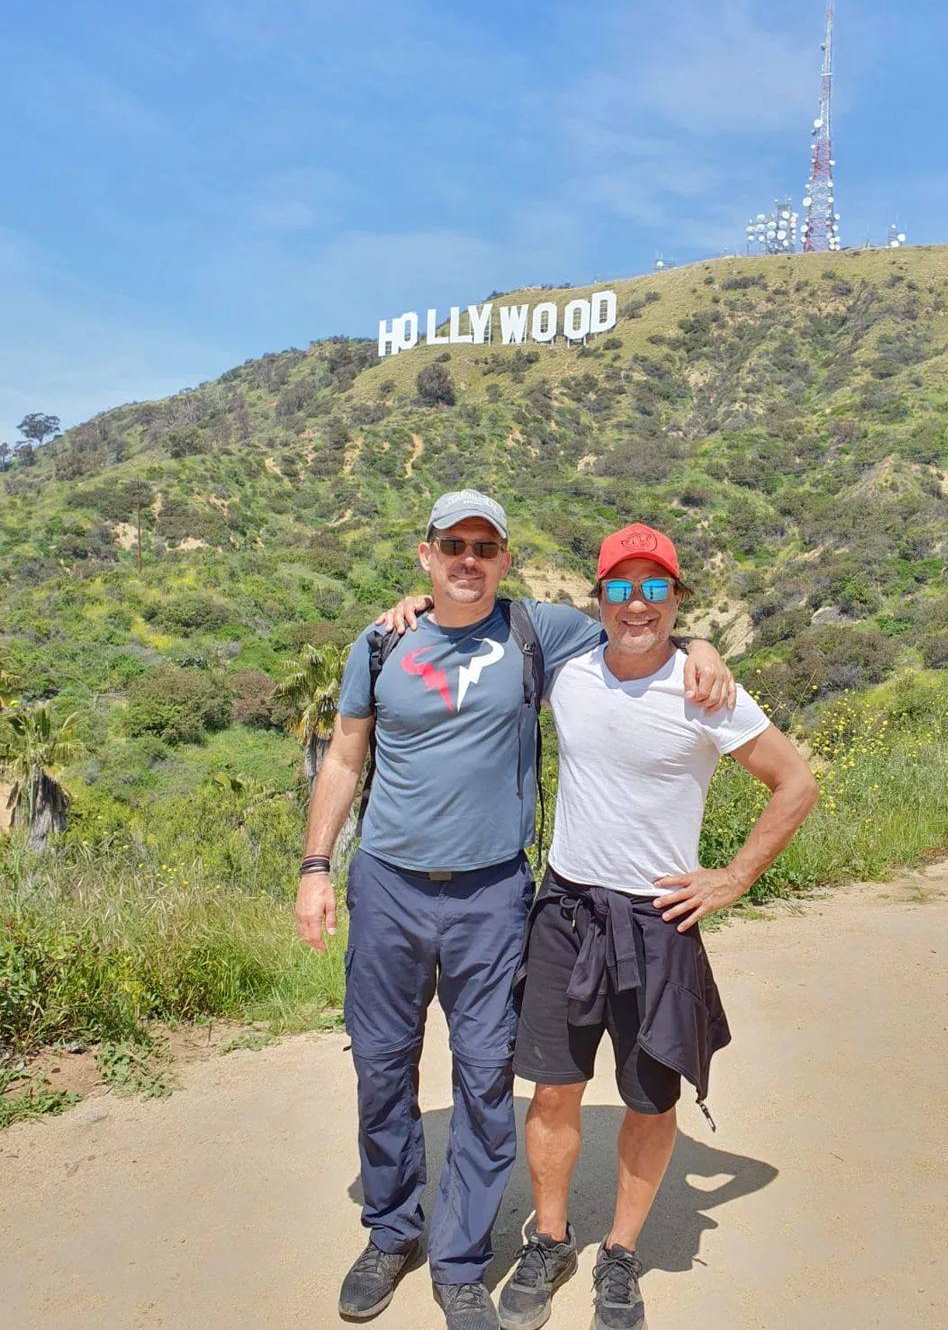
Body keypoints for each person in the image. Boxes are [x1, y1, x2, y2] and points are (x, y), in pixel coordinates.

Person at [293, 491, 733, 1330]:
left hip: (493, 893)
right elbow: (347, 756)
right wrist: (317, 865)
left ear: (505, 559)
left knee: (486, 1075)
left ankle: (460, 1259)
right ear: (425, 554)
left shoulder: (536, 631)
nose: (468, 559)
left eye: (484, 547)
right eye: (452, 544)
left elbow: (637, 626)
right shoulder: (383, 640)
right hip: (386, 883)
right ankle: (392, 1233)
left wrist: (704, 643)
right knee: (382, 1069)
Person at [497, 523, 819, 1330]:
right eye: (619, 588)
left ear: (675, 598)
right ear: (598, 598)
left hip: (655, 919)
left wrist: (734, 878)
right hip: (566, 909)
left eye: (653, 589)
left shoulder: (706, 691)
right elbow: (478, 620)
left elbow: (795, 782)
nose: (635, 604)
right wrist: (407, 607)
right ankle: (550, 1240)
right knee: (553, 1093)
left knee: (648, 1098)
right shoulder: (567, 675)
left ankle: (621, 1254)